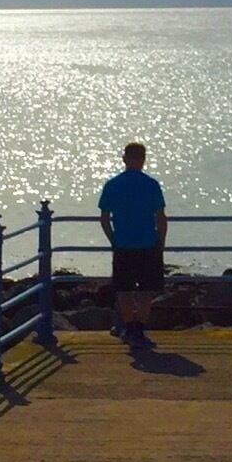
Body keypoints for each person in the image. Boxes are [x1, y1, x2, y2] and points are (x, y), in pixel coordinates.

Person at [98, 141, 167, 345]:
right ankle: (139, 330)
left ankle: (129, 328)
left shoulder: (112, 184)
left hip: (123, 243)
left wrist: (113, 239)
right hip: (148, 242)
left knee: (124, 290)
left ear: (124, 159)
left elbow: (104, 217)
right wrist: (161, 242)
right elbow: (161, 217)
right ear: (143, 160)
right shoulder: (151, 184)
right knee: (146, 291)